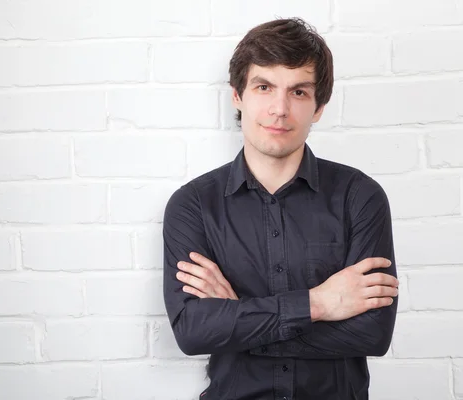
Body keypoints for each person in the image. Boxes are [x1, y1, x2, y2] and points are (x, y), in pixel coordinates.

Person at [162, 17, 399, 400]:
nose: (280, 109)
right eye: (264, 87)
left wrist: (239, 318)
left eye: (299, 92)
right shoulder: (193, 206)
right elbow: (192, 331)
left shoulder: (361, 197)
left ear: (319, 106)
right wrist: (319, 303)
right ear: (237, 96)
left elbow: (371, 333)